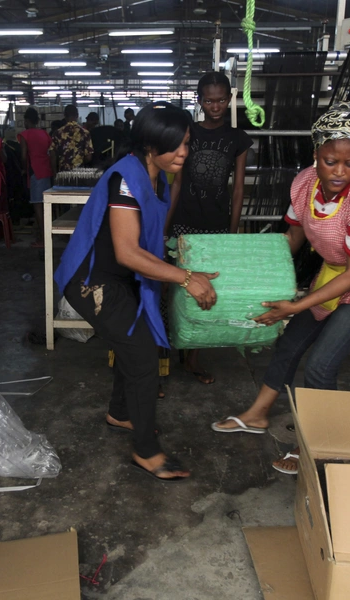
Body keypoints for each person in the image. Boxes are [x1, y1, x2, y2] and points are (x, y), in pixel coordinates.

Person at [211, 103, 350, 476]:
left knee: (321, 365)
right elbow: (293, 237)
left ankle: (319, 450)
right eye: (330, 160)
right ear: (315, 154)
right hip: (336, 271)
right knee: (290, 343)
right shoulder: (305, 183)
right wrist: (244, 271)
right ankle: (257, 415)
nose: (339, 172)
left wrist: (296, 305)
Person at [54, 103, 218, 482]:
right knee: (142, 350)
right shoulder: (125, 179)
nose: (183, 152)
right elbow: (128, 250)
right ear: (149, 144)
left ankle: (121, 412)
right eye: (175, 145)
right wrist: (184, 277)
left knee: (134, 339)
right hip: (92, 280)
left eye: (187, 143)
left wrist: (182, 266)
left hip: (122, 278)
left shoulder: (160, 176)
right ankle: (147, 452)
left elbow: (149, 236)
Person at [166, 71, 252, 385]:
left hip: (216, 224)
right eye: (208, 100)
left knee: (204, 291)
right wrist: (164, 226)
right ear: (199, 100)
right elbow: (176, 183)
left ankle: (192, 357)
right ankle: (166, 349)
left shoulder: (237, 138)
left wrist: (232, 232)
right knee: (170, 285)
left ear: (229, 100)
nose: (214, 106)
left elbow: (238, 188)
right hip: (184, 220)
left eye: (220, 100)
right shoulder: (188, 132)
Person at [18, 107, 55, 248]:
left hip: (35, 172)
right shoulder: (45, 134)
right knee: (46, 205)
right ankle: (44, 235)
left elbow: (23, 156)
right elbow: (52, 153)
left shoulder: (25, 135)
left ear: (27, 121)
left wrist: (23, 169)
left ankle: (44, 239)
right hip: (47, 171)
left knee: (38, 205)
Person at [52, 104, 93, 172]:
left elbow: (53, 156)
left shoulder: (57, 133)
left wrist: (54, 175)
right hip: (80, 173)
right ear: (77, 115)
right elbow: (89, 157)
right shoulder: (85, 133)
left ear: (64, 116)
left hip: (63, 174)